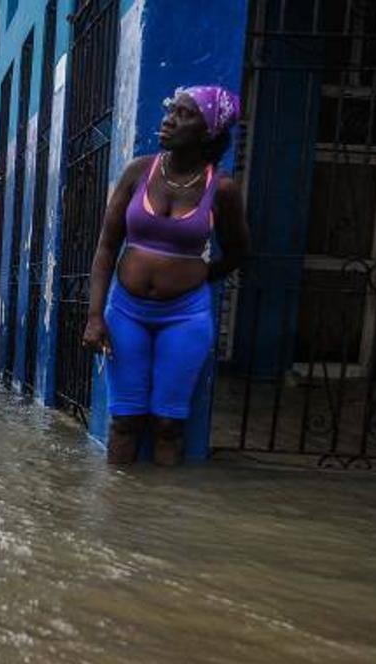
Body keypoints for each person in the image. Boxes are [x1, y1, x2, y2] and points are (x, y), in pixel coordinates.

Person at [82, 85, 250, 465]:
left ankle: (162, 500)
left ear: (208, 132)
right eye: (171, 109)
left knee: (168, 424)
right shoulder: (138, 172)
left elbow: (238, 251)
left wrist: (199, 275)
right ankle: (119, 502)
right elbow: (107, 246)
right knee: (124, 421)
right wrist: (95, 316)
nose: (169, 119)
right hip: (126, 313)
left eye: (184, 114)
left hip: (185, 317)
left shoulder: (222, 189)